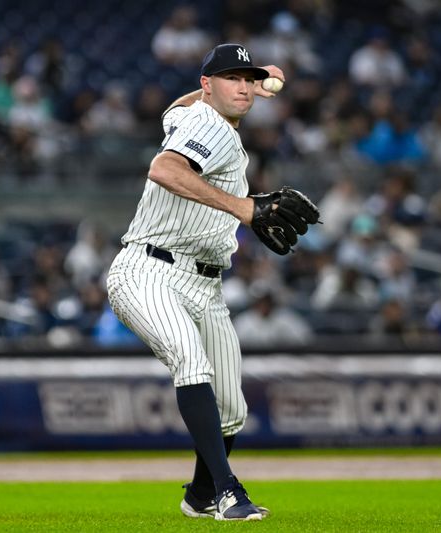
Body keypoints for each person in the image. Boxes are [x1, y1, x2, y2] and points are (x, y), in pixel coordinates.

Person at [106, 43, 318, 521]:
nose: (243, 86)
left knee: (231, 409)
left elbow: (174, 109)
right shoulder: (209, 126)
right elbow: (163, 168)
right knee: (190, 360)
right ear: (207, 85)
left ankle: (199, 495)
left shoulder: (191, 116)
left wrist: (240, 84)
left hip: (204, 283)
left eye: (248, 78)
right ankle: (227, 493)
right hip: (150, 271)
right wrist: (247, 208)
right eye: (231, 78)